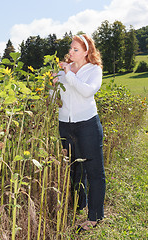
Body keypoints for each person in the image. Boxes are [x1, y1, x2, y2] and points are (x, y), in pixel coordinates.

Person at [56, 34, 106, 231]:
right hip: (65, 125)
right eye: (70, 48)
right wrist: (52, 83)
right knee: (75, 170)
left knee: (94, 171)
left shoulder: (94, 70)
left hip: (87, 125)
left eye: (76, 49)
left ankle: (94, 217)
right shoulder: (62, 72)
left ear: (87, 52)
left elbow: (87, 91)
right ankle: (79, 205)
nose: (71, 52)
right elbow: (56, 96)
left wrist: (68, 74)